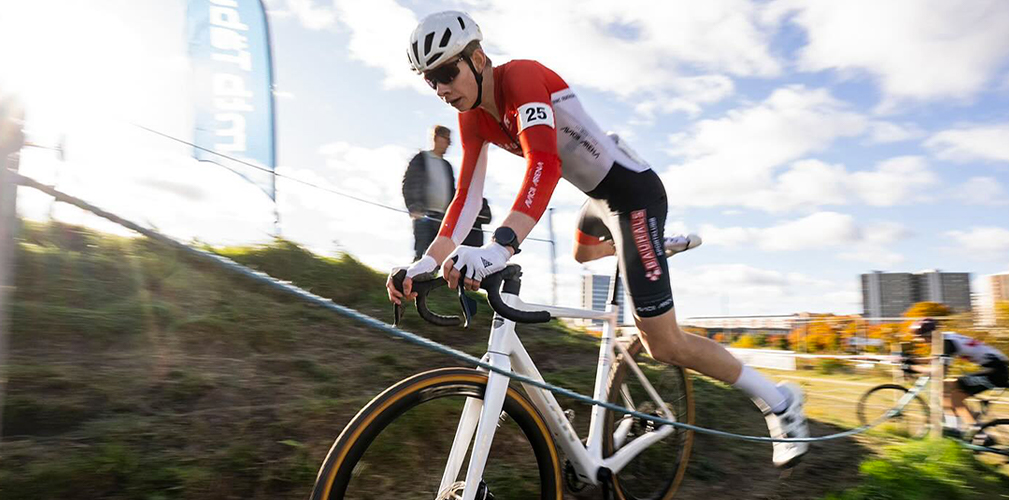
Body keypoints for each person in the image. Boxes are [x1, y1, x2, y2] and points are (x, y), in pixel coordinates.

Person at [387, 11, 809, 468]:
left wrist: (499, 248)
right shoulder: (471, 118)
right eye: (430, 80)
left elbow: (544, 164)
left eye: (447, 72)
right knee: (582, 253)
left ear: (478, 58)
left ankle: (780, 401)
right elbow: (466, 196)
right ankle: (650, 248)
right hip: (597, 202)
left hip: (633, 196)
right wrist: (425, 264)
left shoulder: (521, 78)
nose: (441, 88)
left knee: (662, 344)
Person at [904, 318, 1008, 434]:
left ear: (928, 335)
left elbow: (940, 371)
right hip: (996, 369)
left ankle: (978, 432)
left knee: (954, 396)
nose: (922, 341)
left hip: (997, 371)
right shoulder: (946, 338)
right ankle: (956, 429)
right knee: (945, 389)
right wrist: (913, 360)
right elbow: (937, 358)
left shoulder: (946, 343)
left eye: (921, 338)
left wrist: (912, 368)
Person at [402, 125, 491, 260]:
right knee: (422, 255)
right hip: (424, 216)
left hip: (443, 218)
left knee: (440, 256)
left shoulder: (447, 166)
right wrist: (413, 207)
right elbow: (409, 183)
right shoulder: (421, 159)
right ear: (436, 138)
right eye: (446, 139)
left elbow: (453, 192)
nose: (449, 144)